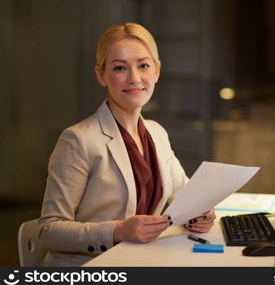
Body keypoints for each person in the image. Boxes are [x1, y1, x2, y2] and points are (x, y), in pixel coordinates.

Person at [39, 22, 215, 266]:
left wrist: (200, 214)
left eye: (143, 65)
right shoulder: (78, 140)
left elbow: (184, 195)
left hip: (142, 262)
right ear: (101, 75)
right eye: (120, 68)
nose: (134, 78)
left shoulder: (156, 133)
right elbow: (49, 231)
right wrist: (118, 231)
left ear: (157, 71)